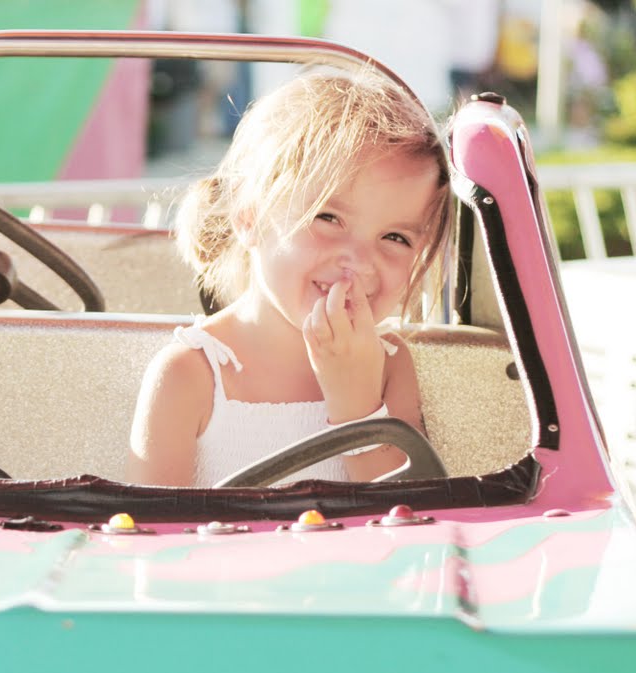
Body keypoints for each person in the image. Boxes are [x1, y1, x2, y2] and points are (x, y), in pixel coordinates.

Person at [126, 67, 452, 487]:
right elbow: (149, 536)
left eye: (395, 237)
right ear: (250, 217)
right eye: (327, 217)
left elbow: (410, 517)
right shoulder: (190, 375)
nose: (359, 260)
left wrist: (357, 404)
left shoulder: (389, 364)